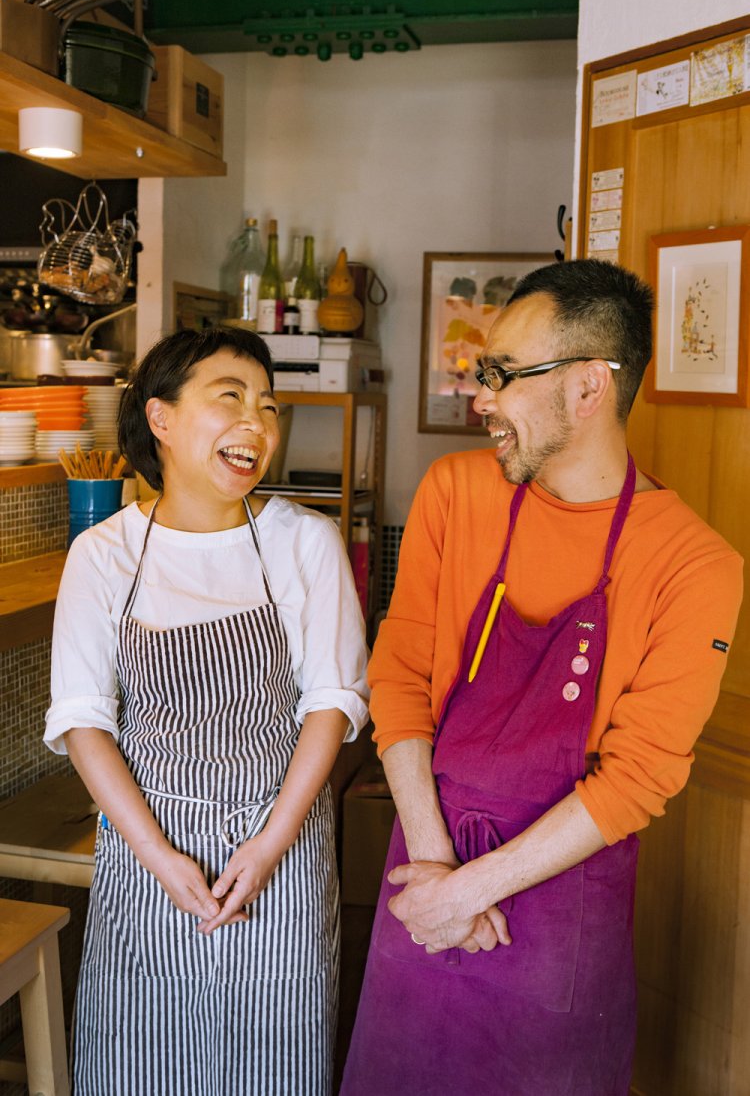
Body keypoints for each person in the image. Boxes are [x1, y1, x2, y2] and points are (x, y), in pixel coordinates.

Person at [341, 259, 743, 1095]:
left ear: (589, 386)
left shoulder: (696, 564)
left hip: (559, 920)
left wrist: (471, 891)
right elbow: (400, 675)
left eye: (501, 374)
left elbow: (638, 776)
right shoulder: (454, 492)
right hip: (424, 872)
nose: (480, 399)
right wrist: (438, 870)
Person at [44, 326, 369, 1096]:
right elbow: (84, 722)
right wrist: (161, 857)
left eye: (268, 405)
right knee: (138, 1062)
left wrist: (270, 845)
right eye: (231, 397)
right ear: (160, 417)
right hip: (146, 857)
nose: (256, 422)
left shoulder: (305, 542)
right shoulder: (103, 553)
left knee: (276, 1065)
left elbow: (332, 702)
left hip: (281, 852)